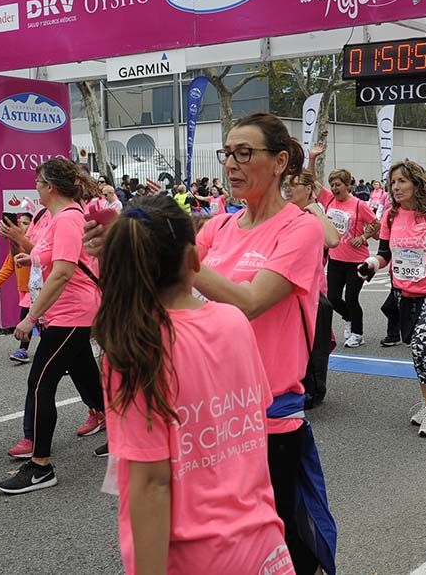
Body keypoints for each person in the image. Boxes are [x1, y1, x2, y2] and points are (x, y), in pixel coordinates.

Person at [95, 196, 295, 575]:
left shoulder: (136, 347)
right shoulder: (234, 322)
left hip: (192, 555)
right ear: (193, 261)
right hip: (262, 541)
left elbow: (151, 483)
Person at [193, 114, 334, 573]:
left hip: (268, 421)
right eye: (227, 153)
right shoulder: (218, 228)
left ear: (279, 162)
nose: (231, 164)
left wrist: (175, 261)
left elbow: (251, 302)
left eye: (244, 153)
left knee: (282, 545)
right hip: (211, 415)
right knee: (222, 542)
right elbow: (168, 292)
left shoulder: (301, 228)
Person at [0, 157, 106, 494]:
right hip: (63, 313)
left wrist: (30, 318)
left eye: (39, 183)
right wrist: (32, 257)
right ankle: (124, 432)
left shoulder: (69, 218)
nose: (36, 188)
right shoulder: (57, 218)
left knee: (41, 384)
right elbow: (55, 258)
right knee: (87, 375)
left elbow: (64, 271)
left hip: (72, 314)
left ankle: (41, 466)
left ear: (52, 187)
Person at [359, 160, 426, 437]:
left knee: (419, 346)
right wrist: (371, 263)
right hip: (404, 293)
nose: (396, 187)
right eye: (393, 182)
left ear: (417, 183)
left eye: (402, 181)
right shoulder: (390, 216)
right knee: (414, 347)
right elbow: (385, 253)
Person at [284, 169, 341, 408]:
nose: (287, 189)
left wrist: (315, 208)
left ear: (308, 189)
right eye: (285, 184)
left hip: (312, 290)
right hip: (285, 287)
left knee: (313, 343)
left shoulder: (312, 214)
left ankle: (313, 390)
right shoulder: (284, 213)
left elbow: (333, 240)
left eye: (293, 185)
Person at [319, 168, 378, 348]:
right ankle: (349, 318)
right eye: (332, 185)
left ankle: (357, 334)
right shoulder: (329, 199)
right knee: (333, 298)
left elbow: (376, 224)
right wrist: (312, 158)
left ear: (347, 185)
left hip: (357, 261)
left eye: (338, 185)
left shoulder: (359, 205)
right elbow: (311, 181)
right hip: (336, 258)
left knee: (352, 298)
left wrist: (362, 237)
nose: (335, 188)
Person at [0, 212, 35, 363]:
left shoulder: (36, 245)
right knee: (35, 322)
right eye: (20, 222)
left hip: (36, 291)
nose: (21, 225)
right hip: (24, 291)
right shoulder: (16, 246)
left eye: (26, 223)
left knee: (27, 319)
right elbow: (9, 266)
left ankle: (23, 349)